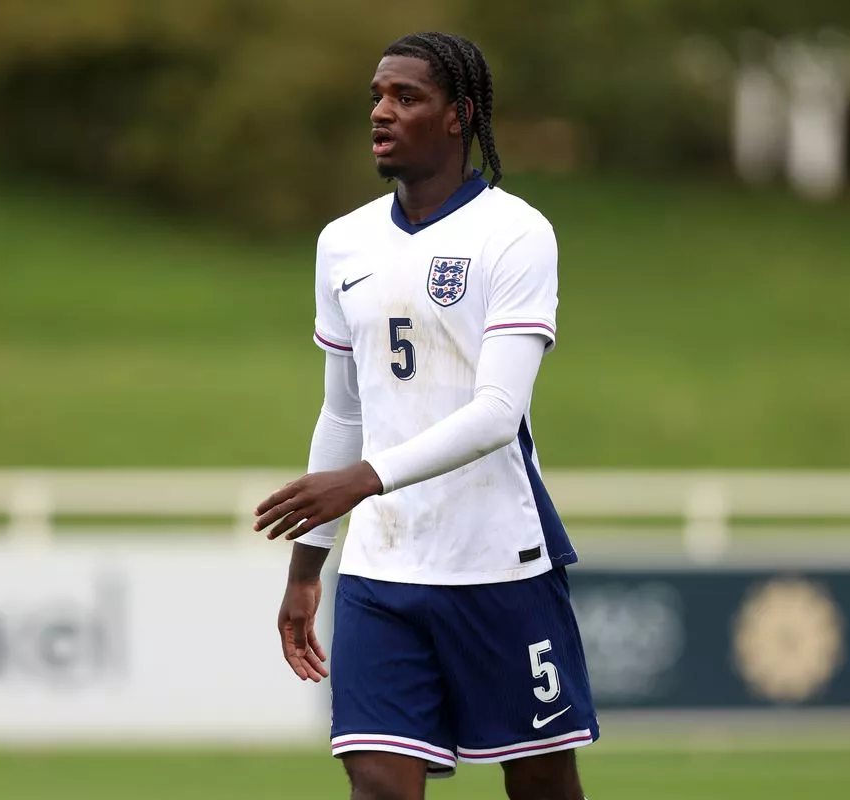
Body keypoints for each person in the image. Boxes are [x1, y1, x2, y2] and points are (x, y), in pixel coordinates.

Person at [252, 31, 596, 800]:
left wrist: (366, 480)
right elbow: (343, 410)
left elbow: (498, 413)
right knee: (379, 787)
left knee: (544, 789)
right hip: (381, 572)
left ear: (458, 116)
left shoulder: (516, 233)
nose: (381, 111)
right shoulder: (343, 243)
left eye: (406, 97)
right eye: (377, 95)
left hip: (499, 562)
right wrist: (308, 567)